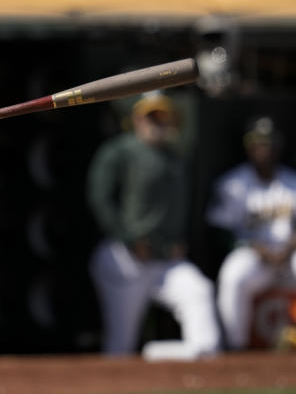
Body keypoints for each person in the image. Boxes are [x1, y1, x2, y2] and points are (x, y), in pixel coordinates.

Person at [87, 92, 220, 360]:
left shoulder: (176, 158)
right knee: (120, 343)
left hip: (166, 259)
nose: (157, 123)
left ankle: (179, 359)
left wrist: (180, 241)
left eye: (162, 116)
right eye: (151, 116)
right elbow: (99, 197)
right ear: (137, 119)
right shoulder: (120, 150)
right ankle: (114, 387)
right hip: (126, 257)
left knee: (199, 291)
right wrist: (128, 239)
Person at [207, 116, 296, 350]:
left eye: (269, 143)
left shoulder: (292, 181)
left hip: (289, 256)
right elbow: (219, 233)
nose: (264, 149)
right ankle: (237, 348)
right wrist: (255, 247)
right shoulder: (232, 184)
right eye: (258, 143)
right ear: (248, 146)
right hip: (254, 256)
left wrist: (290, 245)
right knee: (233, 275)